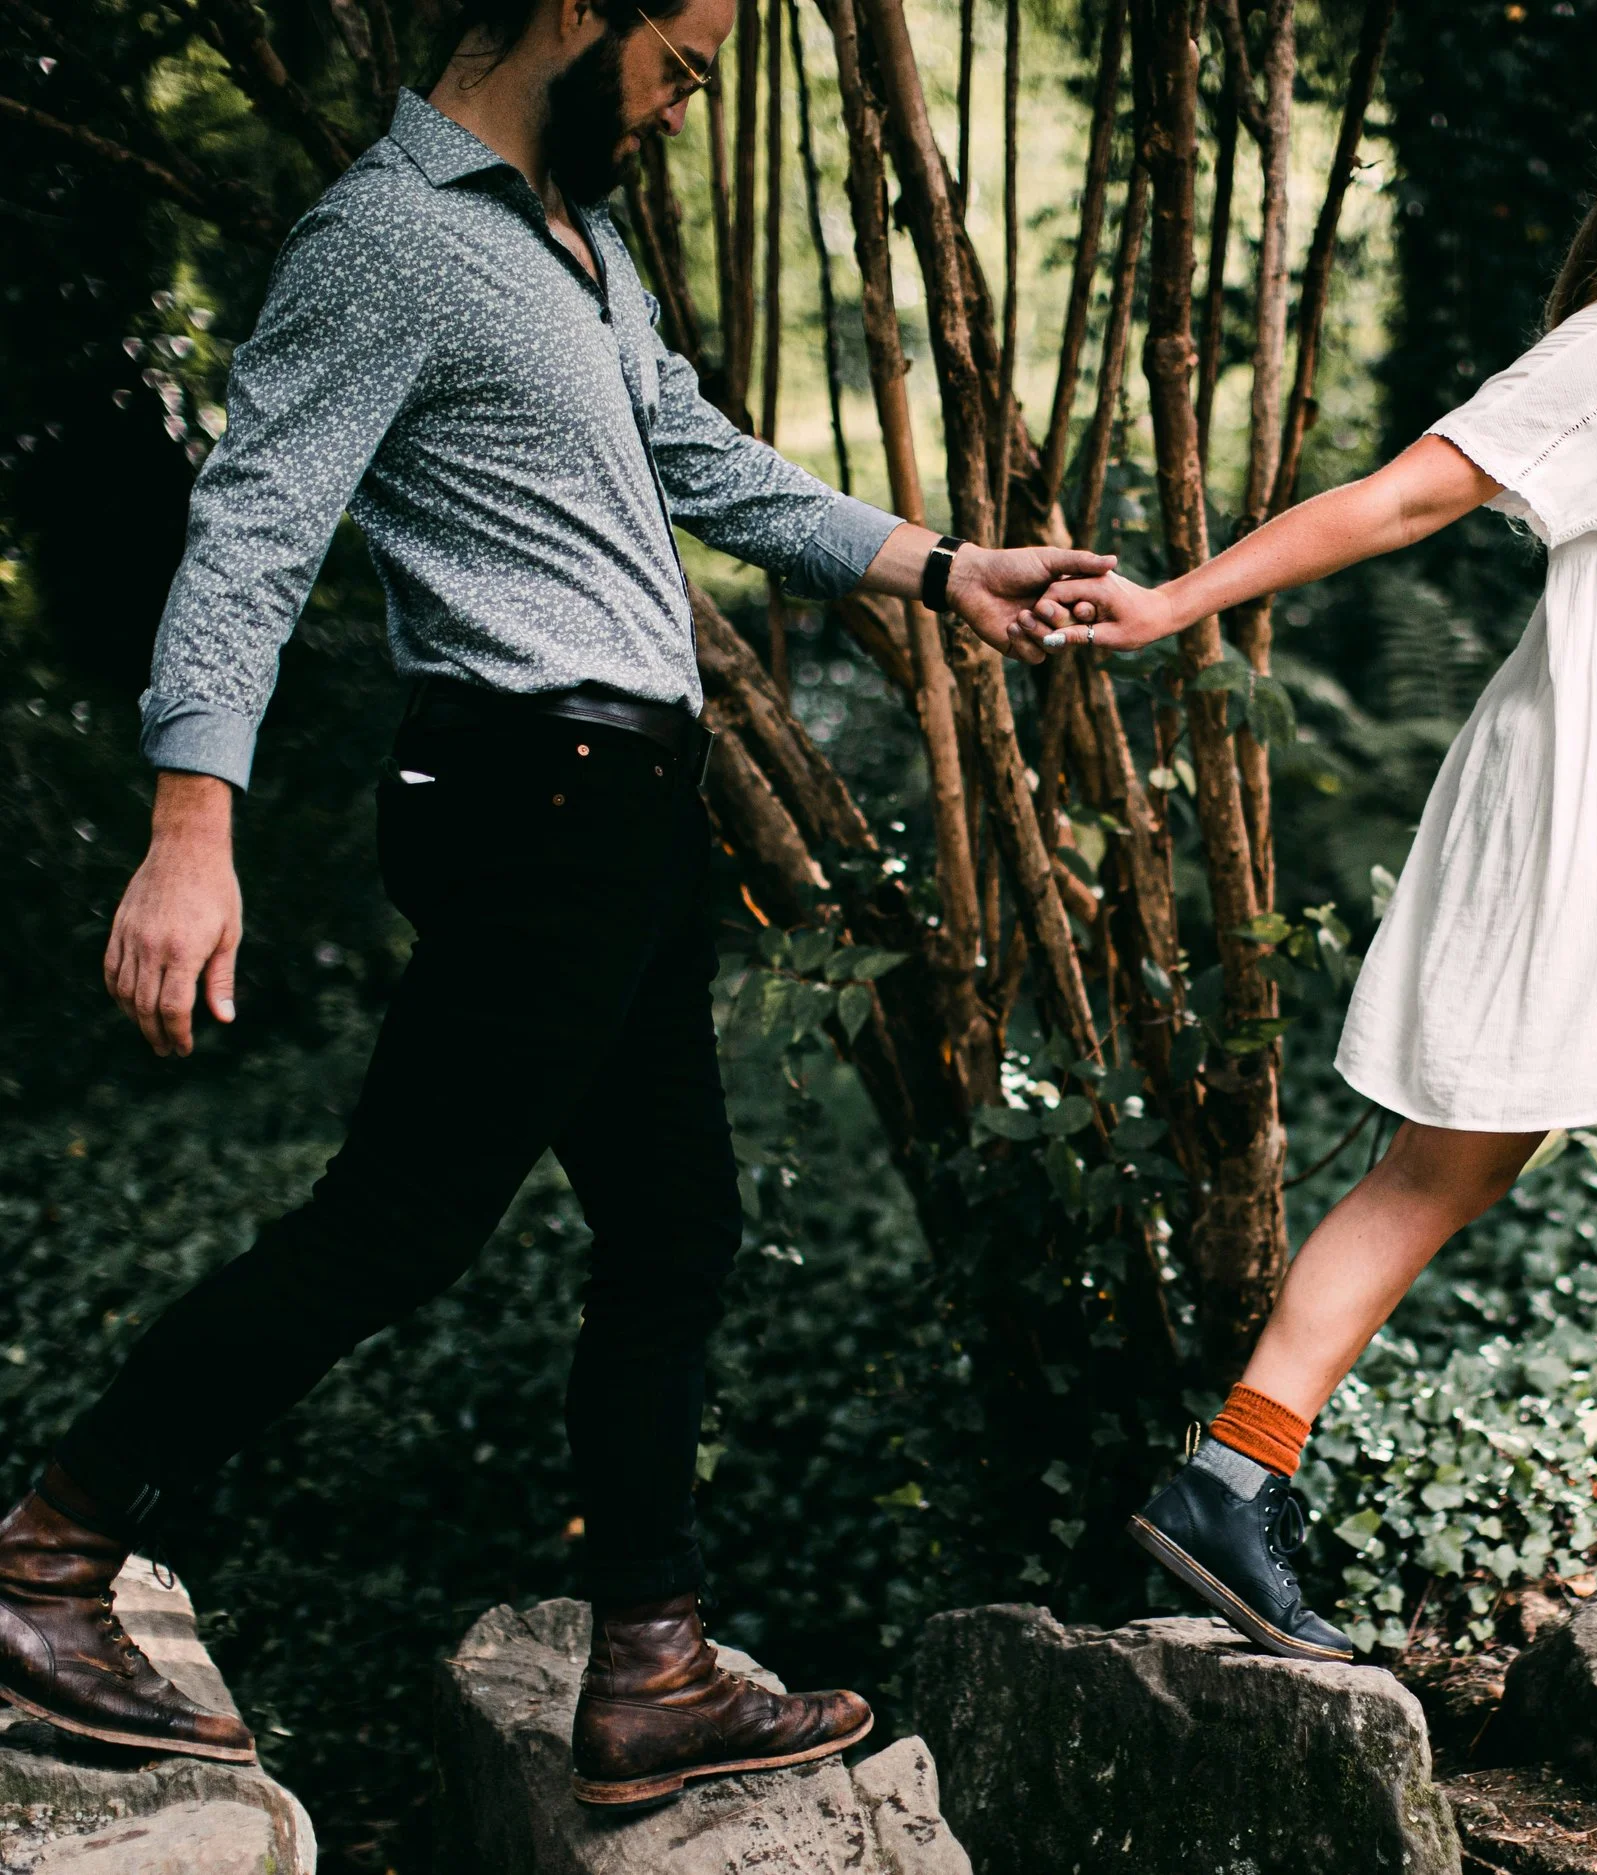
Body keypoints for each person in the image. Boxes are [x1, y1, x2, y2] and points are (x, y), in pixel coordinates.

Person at [0, 0, 1107, 1806]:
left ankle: (651, 1667)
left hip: (630, 810)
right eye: (684, 56)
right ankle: (47, 1555)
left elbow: (701, 459)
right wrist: (190, 824)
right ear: (578, 7)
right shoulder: (389, 237)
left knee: (677, 1230)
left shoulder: (572, 246)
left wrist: (943, 566)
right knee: (400, 1221)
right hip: (529, 795)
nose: (691, 100)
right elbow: (256, 522)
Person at [1017, 15, 1597, 1666]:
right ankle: (1266, 1487)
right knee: (1487, 1158)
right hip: (1596, 802)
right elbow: (1400, 496)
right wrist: (1172, 605)